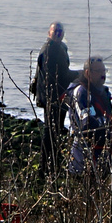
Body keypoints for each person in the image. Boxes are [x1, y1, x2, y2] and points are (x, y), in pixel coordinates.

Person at [66, 56, 112, 177]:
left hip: (104, 154)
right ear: (88, 73)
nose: (103, 75)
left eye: (104, 71)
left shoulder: (103, 92)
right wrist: (110, 123)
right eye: (98, 71)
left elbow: (108, 116)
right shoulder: (81, 92)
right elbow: (87, 124)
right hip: (83, 157)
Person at [33, 22, 74, 178]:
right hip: (51, 97)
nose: (58, 33)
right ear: (49, 33)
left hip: (60, 96)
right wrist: (83, 75)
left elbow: (64, 73)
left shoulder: (61, 47)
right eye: (55, 31)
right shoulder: (49, 49)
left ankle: (53, 164)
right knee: (50, 131)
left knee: (56, 130)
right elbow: (61, 74)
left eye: (60, 31)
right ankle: (44, 169)